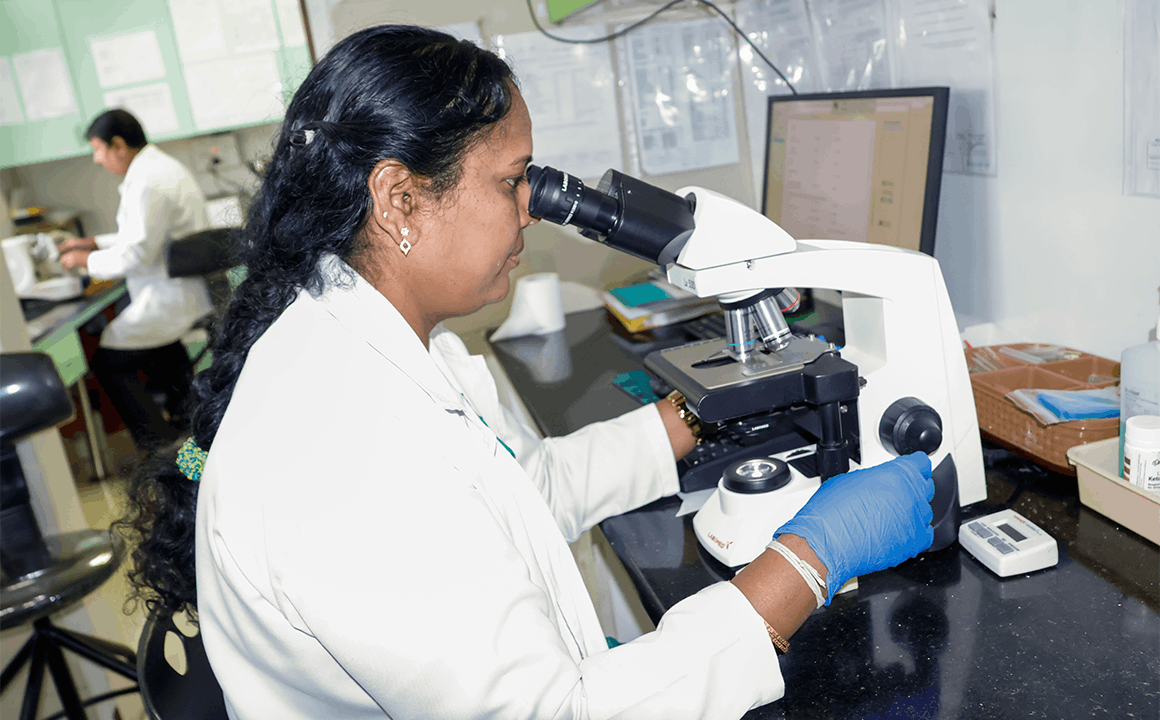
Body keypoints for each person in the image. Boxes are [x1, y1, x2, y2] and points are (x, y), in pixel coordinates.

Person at [119, 25, 935, 720]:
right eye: (513, 182)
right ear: (399, 199)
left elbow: (520, 494)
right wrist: (807, 561)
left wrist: (697, 414)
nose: (530, 211)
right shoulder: (348, 453)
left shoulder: (358, 340)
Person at [59, 109, 213, 452]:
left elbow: (137, 254)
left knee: (107, 361)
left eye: (98, 150)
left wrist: (84, 261)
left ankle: (160, 447)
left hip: (170, 296)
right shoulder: (158, 168)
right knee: (161, 349)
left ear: (117, 145)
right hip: (181, 293)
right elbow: (140, 236)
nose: (97, 159)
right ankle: (187, 436)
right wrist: (93, 243)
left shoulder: (147, 181)